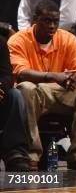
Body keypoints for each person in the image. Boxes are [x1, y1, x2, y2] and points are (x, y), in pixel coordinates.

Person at [9, 0, 76, 170]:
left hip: (64, 91)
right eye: (47, 21)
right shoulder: (18, 40)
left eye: (55, 21)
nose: (52, 26)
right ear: (35, 20)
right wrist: (53, 76)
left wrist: (75, 78)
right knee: (25, 88)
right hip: (37, 93)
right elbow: (21, 73)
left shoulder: (67, 39)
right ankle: (32, 154)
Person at [0, 28, 30, 171]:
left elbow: (7, 76)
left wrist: (1, 87)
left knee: (15, 95)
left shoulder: (0, 42)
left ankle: (15, 153)